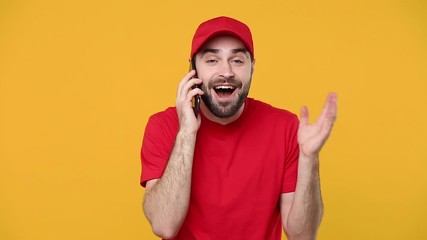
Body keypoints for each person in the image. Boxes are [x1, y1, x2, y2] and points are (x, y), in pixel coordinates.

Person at [140, 16, 337, 240]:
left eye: (237, 60)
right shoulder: (163, 126)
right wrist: (186, 132)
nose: (227, 71)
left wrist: (309, 159)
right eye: (212, 60)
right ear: (193, 69)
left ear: (252, 67)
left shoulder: (286, 127)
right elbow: (164, 225)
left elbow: (303, 235)